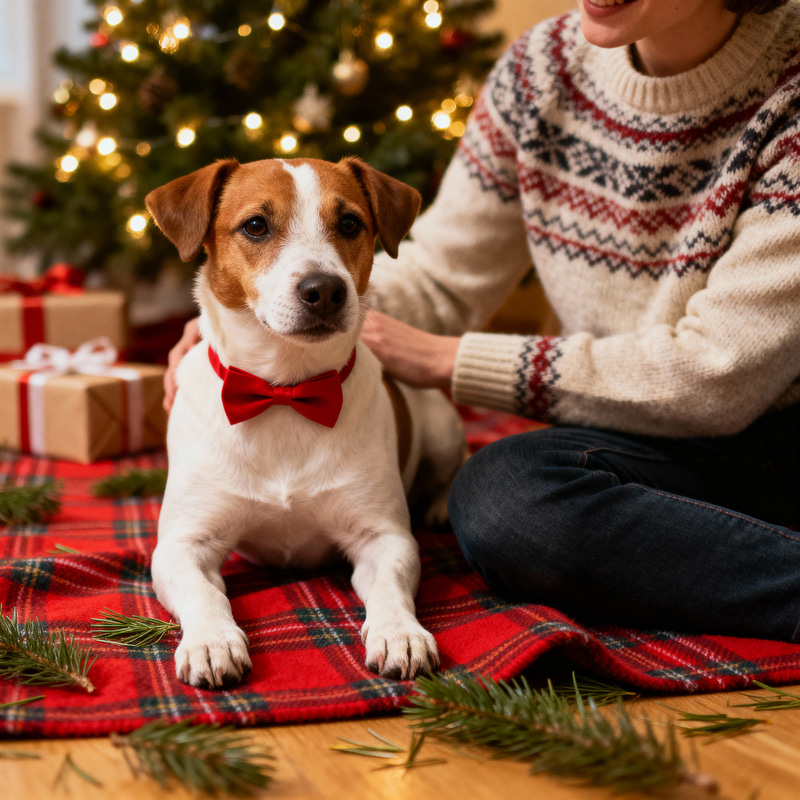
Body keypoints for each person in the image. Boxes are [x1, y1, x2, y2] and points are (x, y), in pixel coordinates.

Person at [165, 0, 800, 642]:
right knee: (501, 496)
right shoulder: (541, 70)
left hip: (773, 437)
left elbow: (721, 374)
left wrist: (448, 361)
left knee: (501, 507)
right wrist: (256, 322)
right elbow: (442, 274)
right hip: (629, 431)